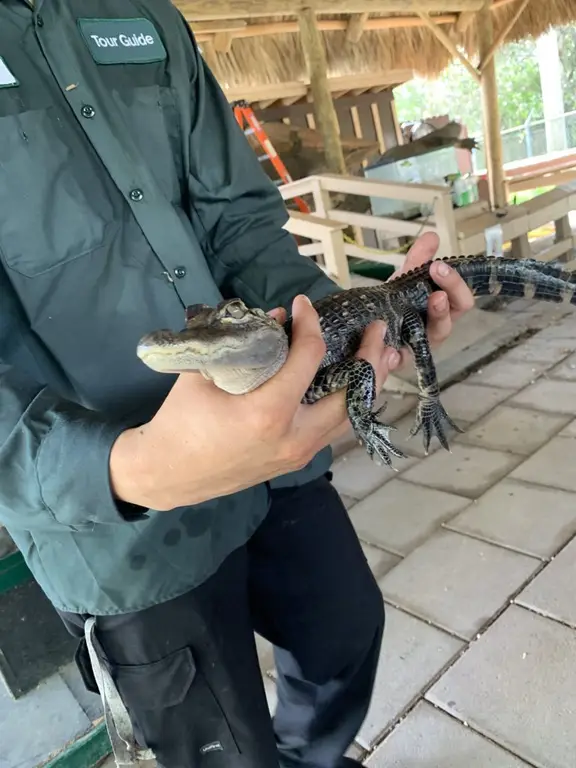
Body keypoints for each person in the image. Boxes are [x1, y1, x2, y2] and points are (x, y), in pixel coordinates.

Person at [0, 1, 475, 766]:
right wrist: (135, 468)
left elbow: (242, 227)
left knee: (346, 632)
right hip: (119, 525)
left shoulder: (144, 16)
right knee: (218, 747)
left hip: (276, 454)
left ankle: (308, 757)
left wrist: (349, 327)